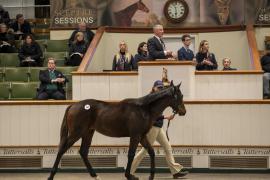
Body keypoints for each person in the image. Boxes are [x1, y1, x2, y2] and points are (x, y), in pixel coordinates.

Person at [130, 80, 188, 179]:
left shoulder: (159, 98)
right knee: (145, 150)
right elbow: (151, 116)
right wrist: (166, 117)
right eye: (158, 87)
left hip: (158, 127)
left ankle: (175, 171)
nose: (160, 89)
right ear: (153, 88)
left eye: (161, 88)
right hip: (152, 127)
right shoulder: (150, 99)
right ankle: (129, 170)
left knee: (167, 147)